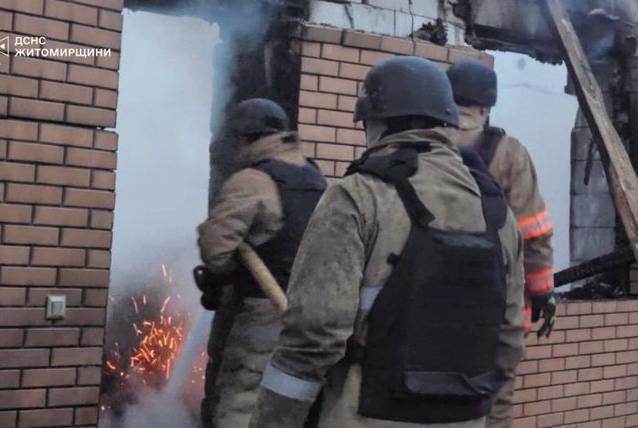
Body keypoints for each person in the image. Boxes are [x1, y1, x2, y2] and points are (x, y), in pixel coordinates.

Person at [249, 56, 525, 428]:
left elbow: (314, 336)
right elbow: (507, 341)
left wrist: (274, 421)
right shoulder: (498, 213)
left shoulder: (358, 196)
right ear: (446, 122)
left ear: (378, 124)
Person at [196, 98, 327, 427]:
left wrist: (224, 276)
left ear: (244, 139)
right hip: (312, 311)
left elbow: (215, 249)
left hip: (263, 311)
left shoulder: (253, 180)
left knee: (242, 401)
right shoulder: (315, 177)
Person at [446, 59, 557, 428]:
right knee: (494, 399)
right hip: (496, 308)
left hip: (425, 299)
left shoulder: (423, 146)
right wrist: (543, 293)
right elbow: (533, 231)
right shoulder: (509, 153)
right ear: (485, 108)